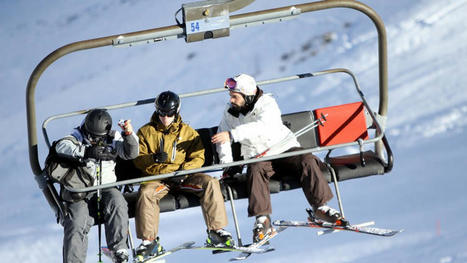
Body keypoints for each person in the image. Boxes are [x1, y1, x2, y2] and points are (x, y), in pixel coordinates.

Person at [211, 73, 343, 243]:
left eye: (235, 96)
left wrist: (232, 134)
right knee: (255, 169)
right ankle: (262, 220)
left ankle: (320, 208)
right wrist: (227, 164)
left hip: (284, 148)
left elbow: (262, 127)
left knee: (307, 159)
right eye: (230, 96)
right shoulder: (230, 112)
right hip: (259, 156)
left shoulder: (267, 104)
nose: (231, 100)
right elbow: (222, 138)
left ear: (248, 96)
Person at [132, 90, 233, 258]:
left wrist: (184, 171)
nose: (165, 118)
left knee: (210, 182)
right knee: (146, 192)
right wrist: (152, 159)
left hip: (184, 178)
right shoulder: (145, 132)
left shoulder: (187, 132)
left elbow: (198, 157)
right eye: (161, 113)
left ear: (177, 111)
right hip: (159, 180)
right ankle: (149, 242)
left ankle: (217, 232)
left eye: (169, 114)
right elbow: (138, 161)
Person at [55, 109, 139, 263]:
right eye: (92, 136)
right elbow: (61, 147)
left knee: (118, 202)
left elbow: (131, 153)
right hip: (81, 192)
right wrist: (87, 151)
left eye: (99, 137)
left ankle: (119, 249)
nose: (95, 140)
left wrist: (128, 135)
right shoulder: (77, 136)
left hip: (107, 188)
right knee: (76, 221)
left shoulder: (113, 137)